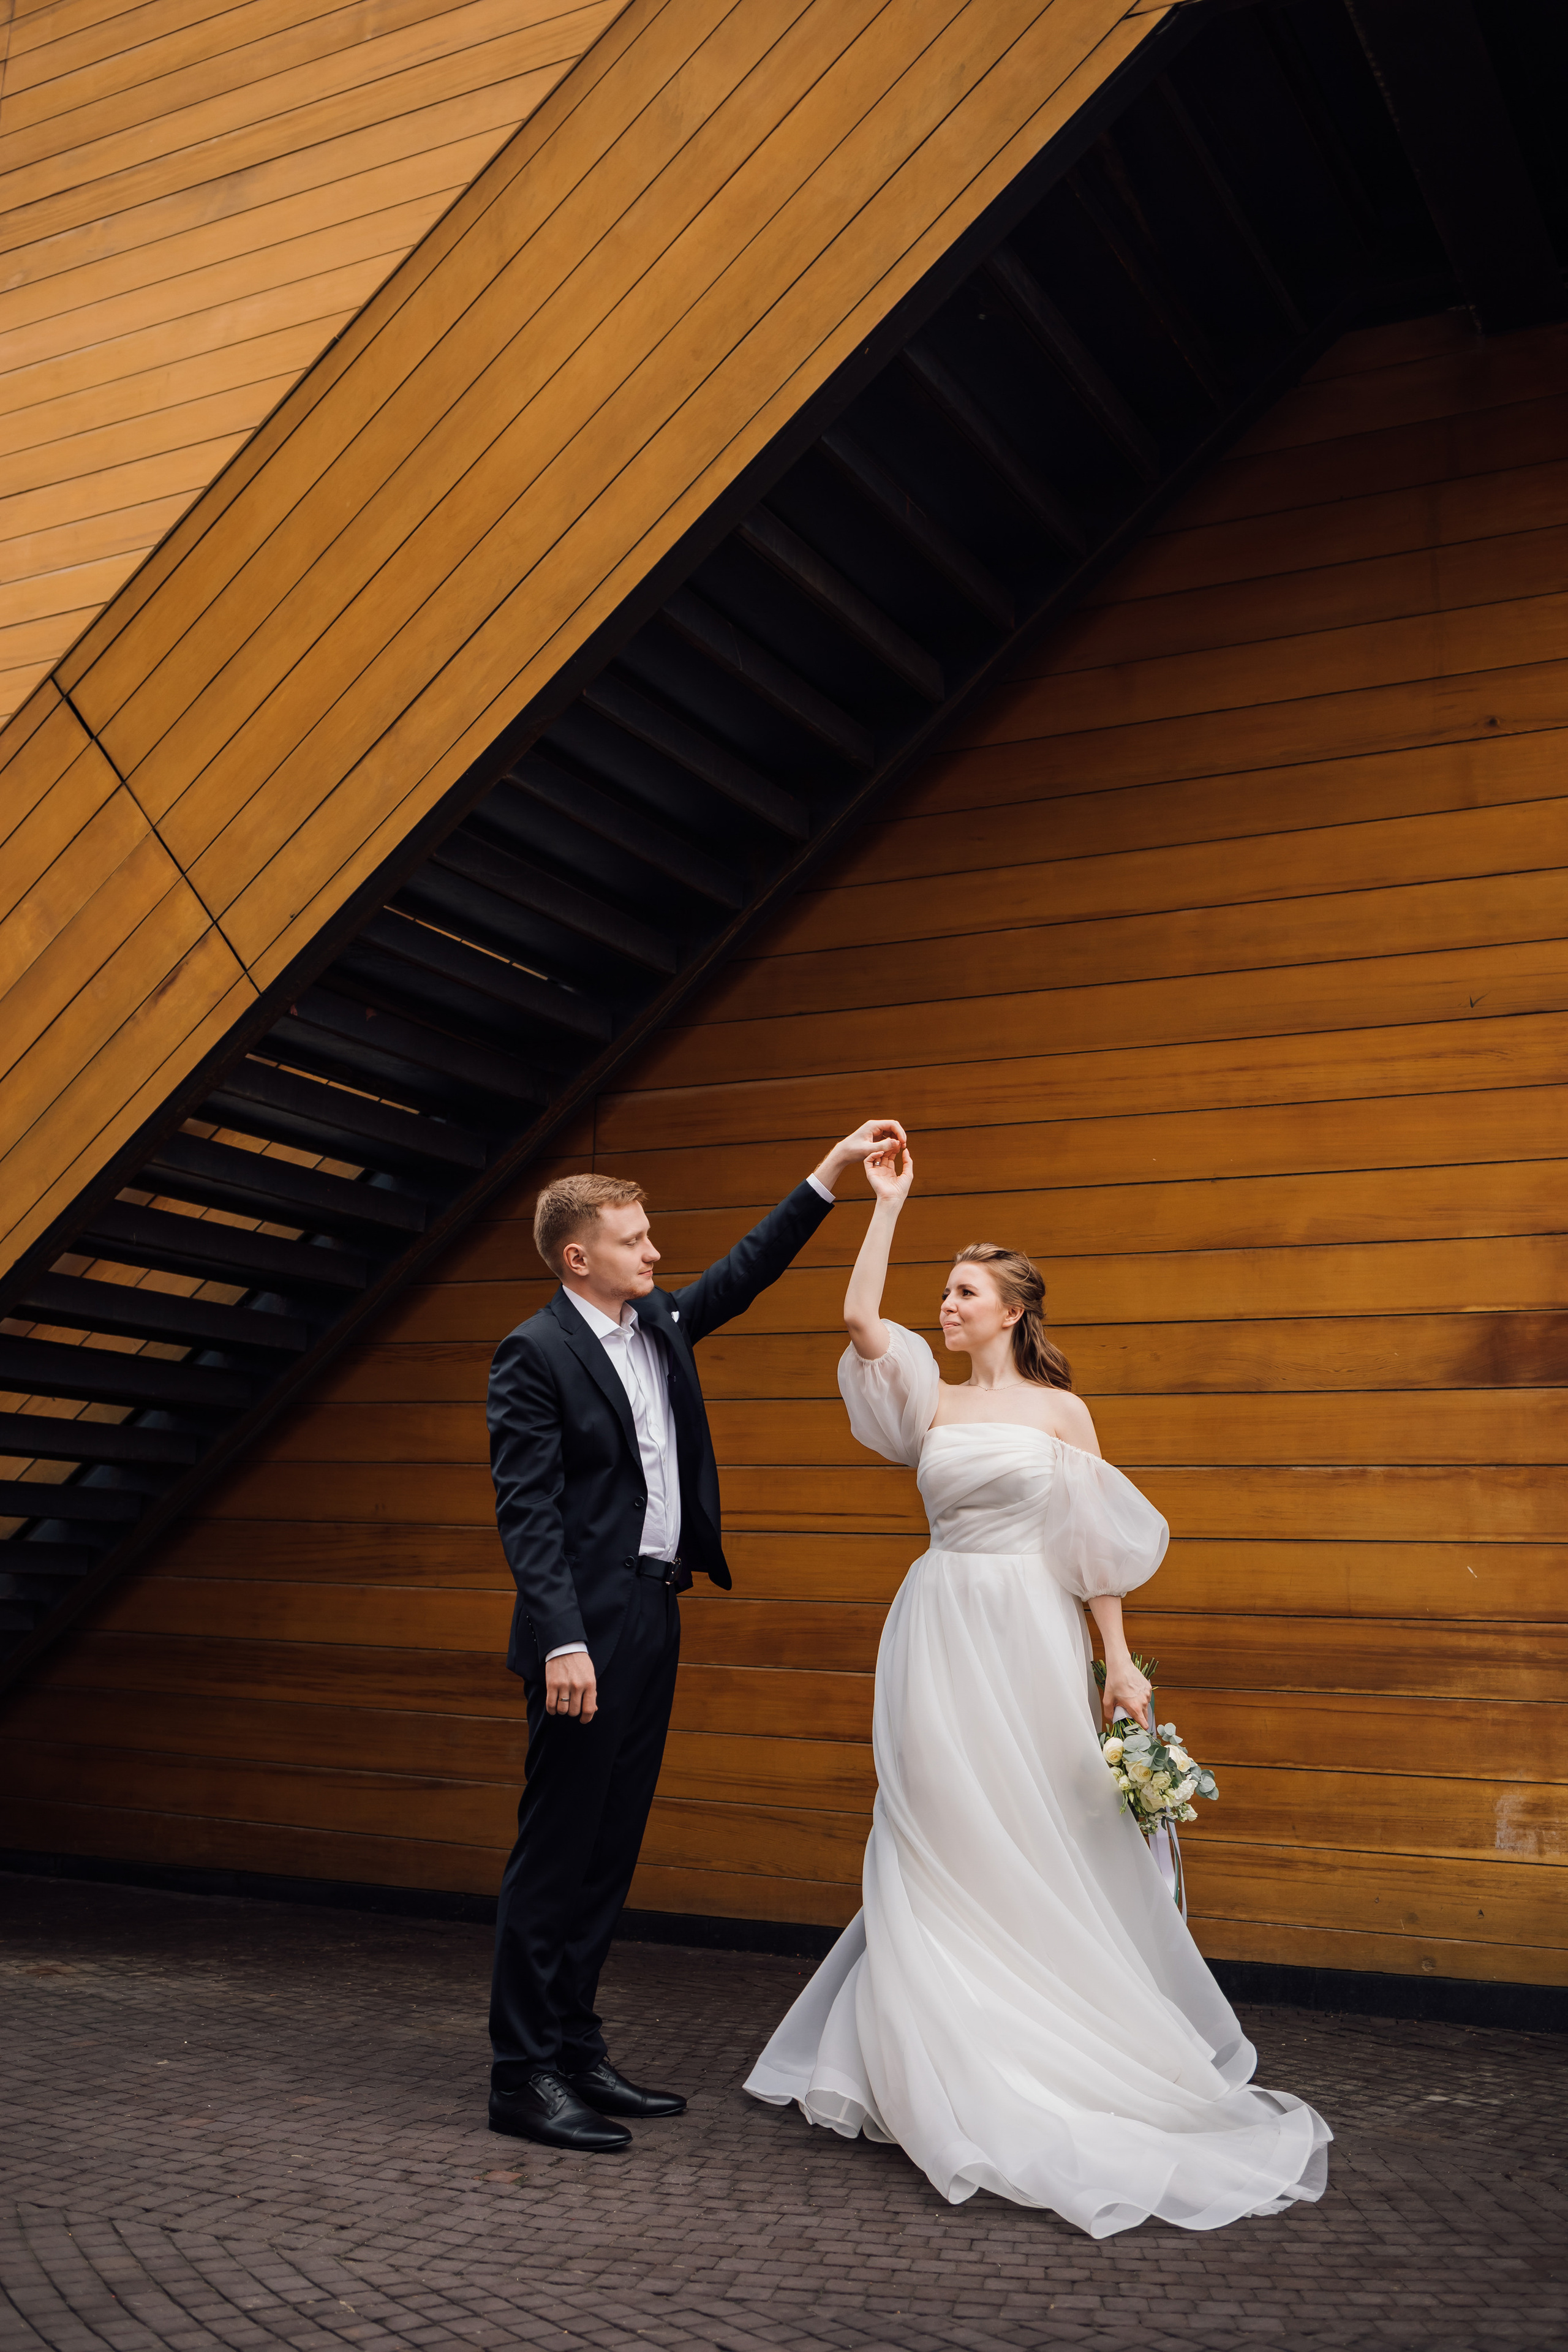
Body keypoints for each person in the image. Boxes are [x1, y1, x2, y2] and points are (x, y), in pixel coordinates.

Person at [745, 1139, 1330, 2236]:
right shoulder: (926, 1401)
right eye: (943, 1293)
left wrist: (1118, 1662)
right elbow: (861, 1316)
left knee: (1032, 1819)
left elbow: (1090, 1549)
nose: (945, 1307)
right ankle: (932, 2052)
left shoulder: (1064, 1414)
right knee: (932, 1820)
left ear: (1011, 1312)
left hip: (1026, 1628)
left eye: (964, 1294)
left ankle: (1038, 2039)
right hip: (938, 1623)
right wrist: (885, 1204)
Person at [486, 1118, 907, 2151]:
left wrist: (832, 1174)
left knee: (611, 1847)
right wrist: (562, 1640)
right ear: (577, 1257)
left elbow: (747, 1269)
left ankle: (575, 2049)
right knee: (558, 1850)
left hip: (655, 1610)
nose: (654, 1251)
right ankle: (522, 2076)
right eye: (633, 1239)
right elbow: (526, 1511)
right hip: (583, 1633)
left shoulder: (661, 1324)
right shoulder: (534, 1353)